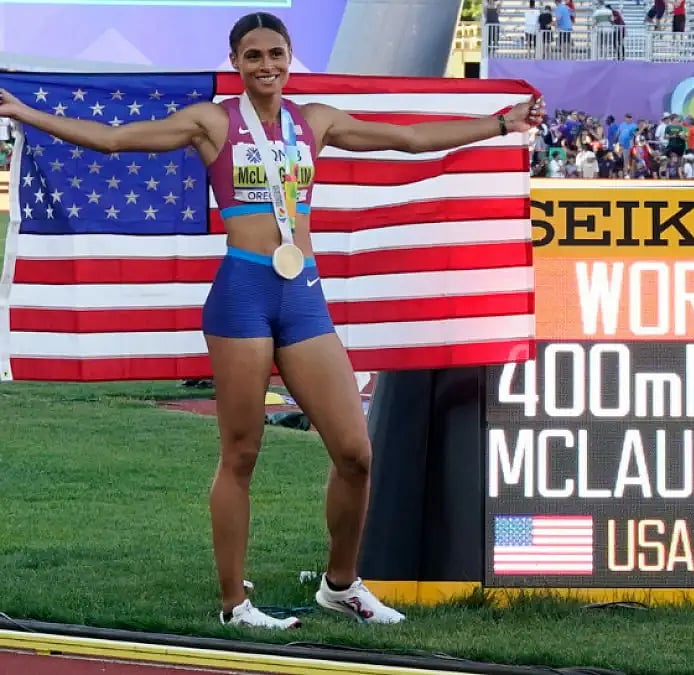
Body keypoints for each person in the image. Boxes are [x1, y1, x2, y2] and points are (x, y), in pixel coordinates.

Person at [0, 12, 544, 630]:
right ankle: (235, 603)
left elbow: (411, 139)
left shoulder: (314, 122)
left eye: (275, 54)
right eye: (253, 56)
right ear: (236, 63)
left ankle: (341, 586)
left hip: (303, 295)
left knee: (355, 453)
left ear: (290, 58)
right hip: (242, 294)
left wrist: (502, 124)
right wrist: (25, 113)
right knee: (241, 453)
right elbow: (117, 140)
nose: (266, 66)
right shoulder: (213, 122)